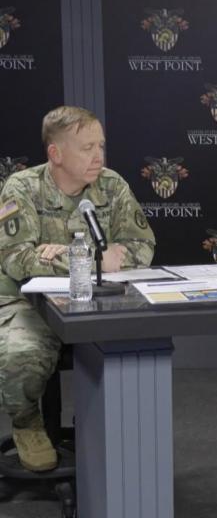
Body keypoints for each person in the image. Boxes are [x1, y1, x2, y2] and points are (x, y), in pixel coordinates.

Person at [0, 106, 155, 471]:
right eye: (87, 148)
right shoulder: (21, 187)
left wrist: (58, 253)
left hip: (97, 300)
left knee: (143, 346)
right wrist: (89, 257)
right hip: (28, 302)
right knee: (21, 355)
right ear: (55, 153)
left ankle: (111, 431)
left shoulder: (112, 185)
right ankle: (27, 422)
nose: (98, 156)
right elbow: (16, 259)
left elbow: (142, 247)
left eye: (100, 145)